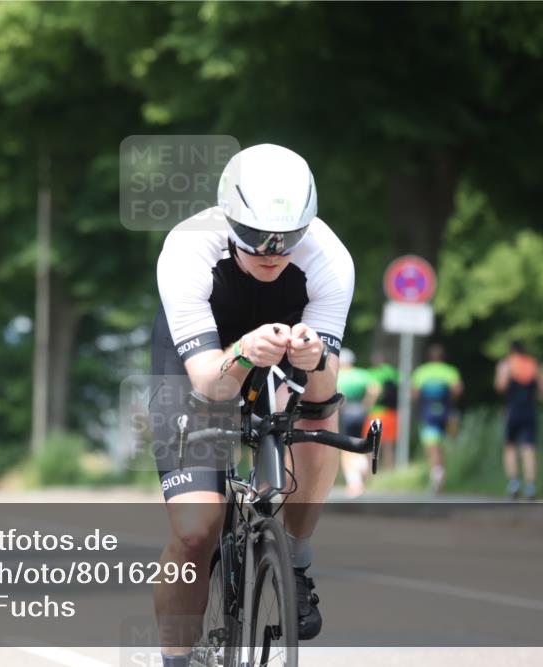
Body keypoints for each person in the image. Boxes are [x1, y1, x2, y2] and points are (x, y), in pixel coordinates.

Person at [150, 143, 354, 664]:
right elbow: (209, 385)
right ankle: (175, 659)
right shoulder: (188, 248)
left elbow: (324, 385)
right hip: (202, 365)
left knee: (318, 409)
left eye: (286, 241)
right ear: (228, 217)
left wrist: (314, 358)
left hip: (281, 355)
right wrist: (241, 351)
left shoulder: (329, 259)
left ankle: (298, 560)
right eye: (255, 237)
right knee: (197, 533)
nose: (270, 251)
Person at [495, 341, 543, 500]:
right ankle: (530, 487)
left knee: (510, 446)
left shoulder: (507, 364)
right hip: (530, 410)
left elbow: (500, 387)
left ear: (511, 351)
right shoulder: (533, 364)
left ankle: (514, 483)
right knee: (529, 448)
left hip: (512, 411)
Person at [411, 343, 463, 494]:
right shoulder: (450, 371)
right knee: (445, 446)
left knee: (432, 447)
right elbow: (458, 390)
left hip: (428, 414)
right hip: (447, 413)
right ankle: (441, 475)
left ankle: (437, 475)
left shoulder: (421, 372)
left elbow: (414, 394)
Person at [336, 348, 379, 496]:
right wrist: (367, 404)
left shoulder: (338, 375)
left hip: (345, 412)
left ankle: (354, 482)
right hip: (361, 411)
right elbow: (375, 389)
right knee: (361, 440)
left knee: (346, 447)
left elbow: (336, 391)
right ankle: (363, 463)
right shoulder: (362, 373)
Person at [366, 352, 399, 471]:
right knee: (388, 444)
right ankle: (389, 470)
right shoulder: (393, 372)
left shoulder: (376, 373)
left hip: (377, 412)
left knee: (372, 443)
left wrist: (367, 405)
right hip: (392, 412)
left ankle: (372, 471)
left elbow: (374, 390)